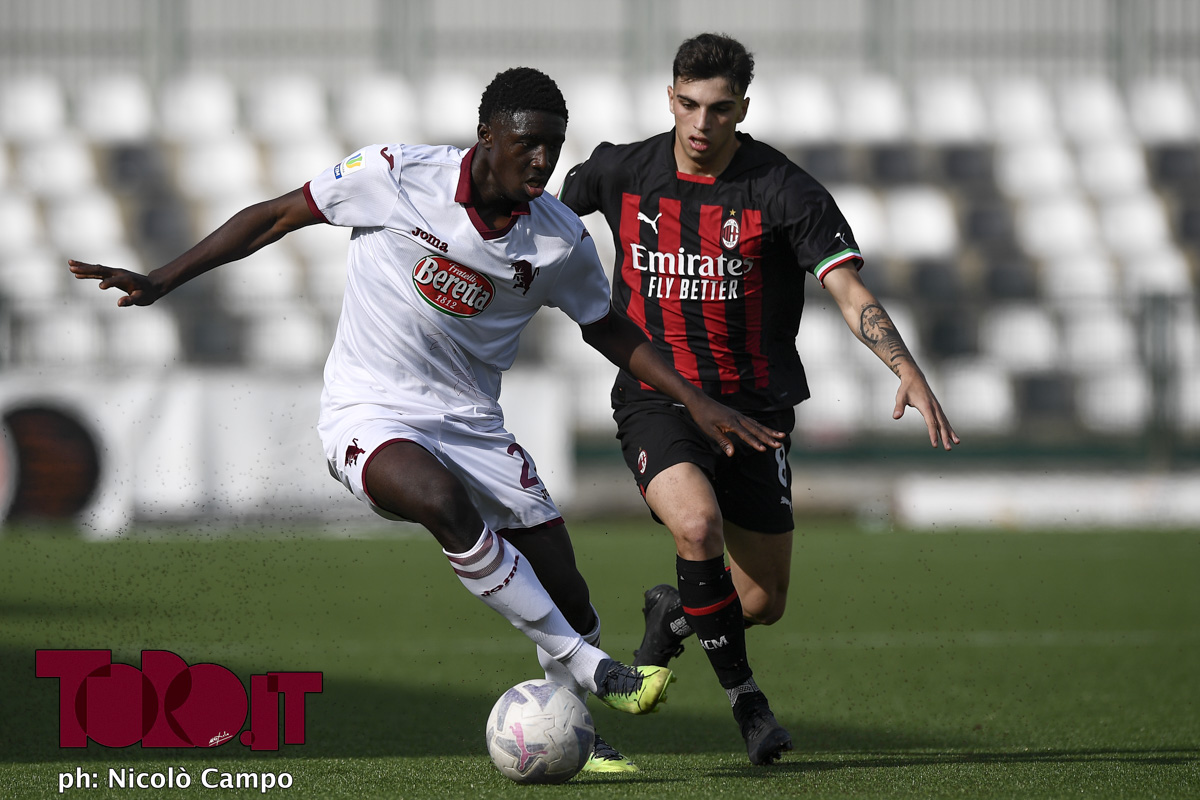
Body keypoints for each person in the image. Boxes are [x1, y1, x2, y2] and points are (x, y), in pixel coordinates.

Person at [69, 67, 783, 774]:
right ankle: (592, 668)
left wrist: (693, 398)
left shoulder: (559, 240)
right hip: (368, 408)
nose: (542, 160)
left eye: (554, 147)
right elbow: (276, 214)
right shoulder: (394, 174)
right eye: (527, 144)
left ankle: (581, 731)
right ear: (486, 138)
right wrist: (163, 277)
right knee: (440, 501)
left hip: (472, 423)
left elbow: (608, 329)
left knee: (567, 591)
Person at [558, 34, 960, 765]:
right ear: (670, 96)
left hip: (754, 416)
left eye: (718, 108)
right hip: (659, 397)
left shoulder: (783, 190)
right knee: (698, 525)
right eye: (688, 104)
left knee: (762, 601)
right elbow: (549, 216)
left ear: (743, 107)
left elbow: (847, 288)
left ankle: (673, 615)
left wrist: (904, 366)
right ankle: (749, 705)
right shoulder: (621, 169)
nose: (701, 123)